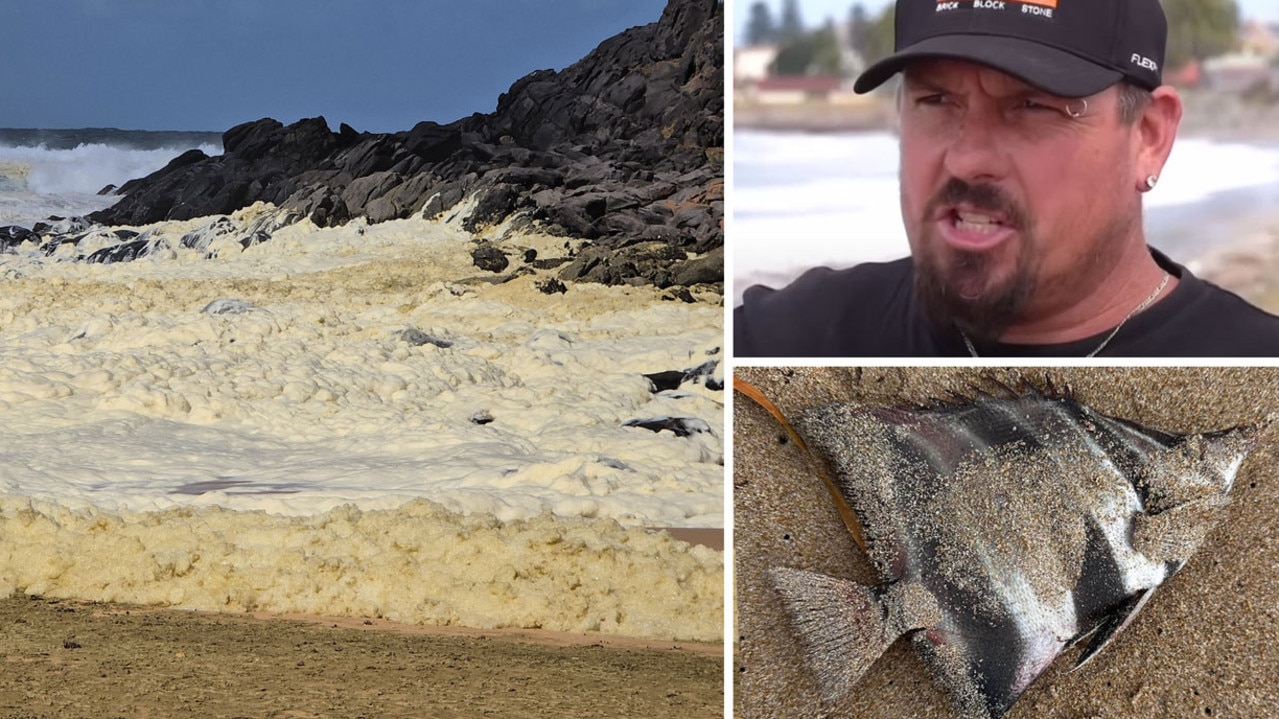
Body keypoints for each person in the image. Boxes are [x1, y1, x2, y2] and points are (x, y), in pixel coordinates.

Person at [733, 0, 1279, 357]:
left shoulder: (1252, 359)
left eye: (1033, 106)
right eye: (936, 100)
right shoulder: (790, 338)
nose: (968, 160)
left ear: (1149, 137)